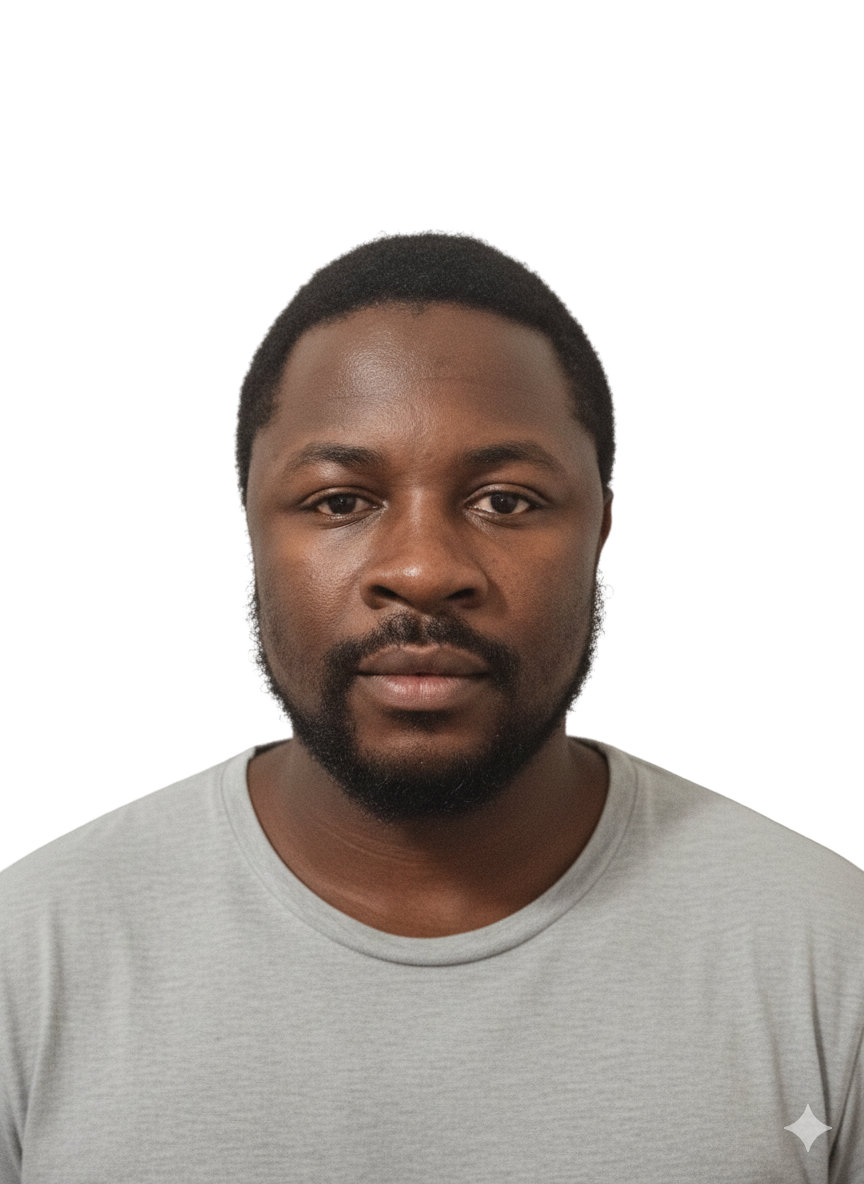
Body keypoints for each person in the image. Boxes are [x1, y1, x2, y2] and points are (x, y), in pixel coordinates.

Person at [1, 230, 860, 1183]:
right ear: (248, 524)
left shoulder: (832, 950)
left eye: (506, 501)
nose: (421, 570)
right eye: (340, 501)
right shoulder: (29, 954)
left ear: (601, 528)